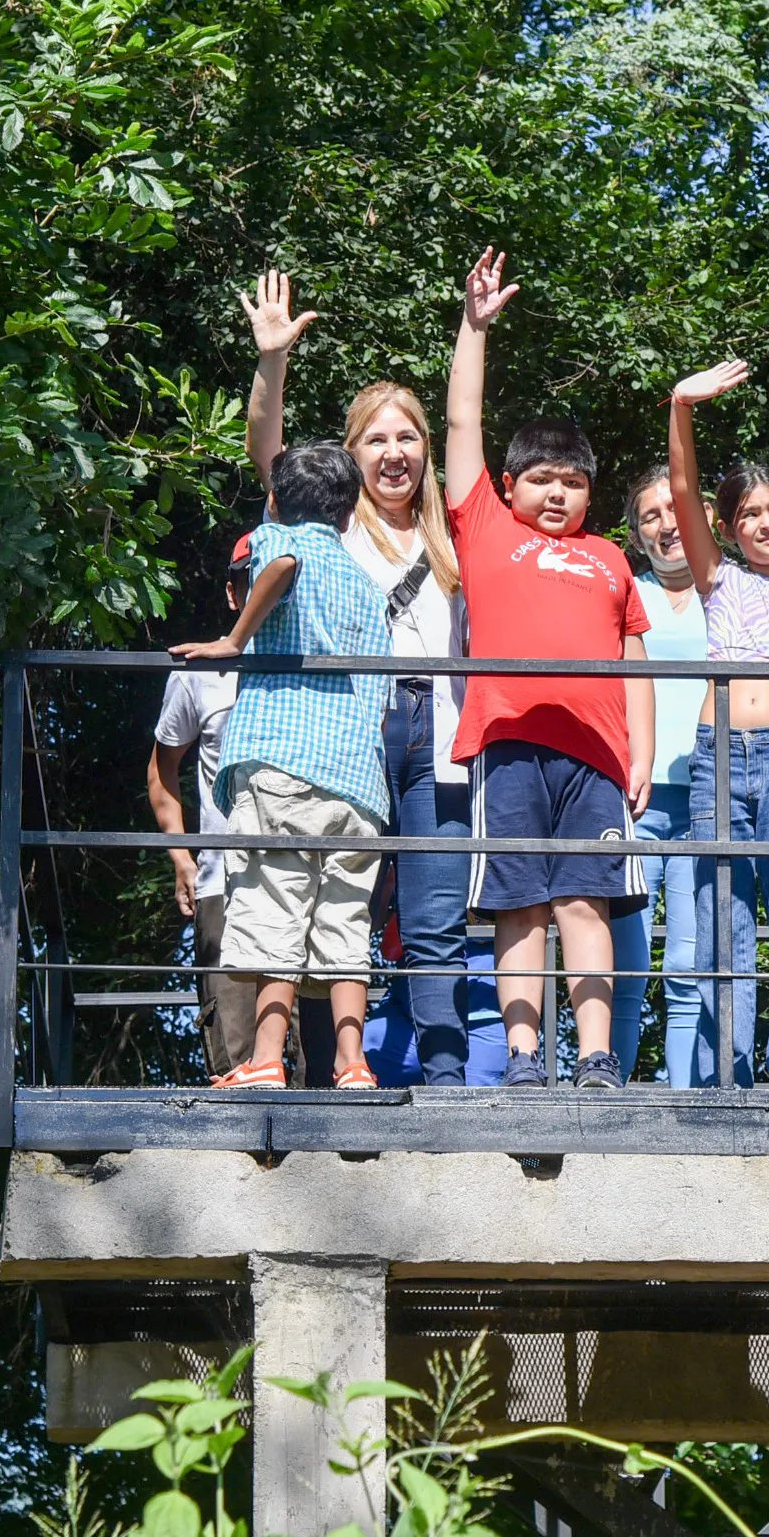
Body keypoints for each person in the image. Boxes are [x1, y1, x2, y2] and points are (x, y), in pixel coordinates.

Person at [239, 271, 477, 1087]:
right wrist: (271, 363)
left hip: (438, 732)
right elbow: (267, 456)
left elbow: (465, 424)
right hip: (353, 724)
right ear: (351, 456)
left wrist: (472, 329)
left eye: (406, 439)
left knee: (437, 914)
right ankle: (325, 1075)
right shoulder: (328, 525)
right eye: (375, 440)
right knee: (333, 904)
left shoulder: (454, 543)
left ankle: (444, 1077)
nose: (395, 453)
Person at [443, 248, 653, 1089]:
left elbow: (636, 661)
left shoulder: (610, 558)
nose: (558, 493)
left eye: (573, 481)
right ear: (509, 484)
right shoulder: (487, 530)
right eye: (542, 479)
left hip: (598, 760)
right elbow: (461, 425)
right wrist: (474, 327)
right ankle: (527, 1060)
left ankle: (597, 1058)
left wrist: (639, 755)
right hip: (511, 744)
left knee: (585, 903)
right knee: (519, 904)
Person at [169, 441, 395, 1091]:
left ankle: (266, 1060)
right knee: (344, 922)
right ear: (350, 513)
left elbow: (287, 562)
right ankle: (352, 1066)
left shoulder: (280, 540)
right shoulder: (363, 581)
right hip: (357, 780)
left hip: (286, 762)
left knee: (276, 906)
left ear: (274, 502)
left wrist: (235, 639)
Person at [666, 361, 769, 1090]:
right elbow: (679, 494)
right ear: (730, 529)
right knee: (719, 919)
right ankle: (722, 1069)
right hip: (719, 757)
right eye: (747, 515)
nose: (763, 523)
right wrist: (681, 408)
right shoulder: (721, 581)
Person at [148, 537, 259, 1081]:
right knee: (232, 1062)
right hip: (224, 882)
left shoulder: (322, 660)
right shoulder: (197, 672)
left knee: (317, 1066)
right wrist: (181, 857)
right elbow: (161, 770)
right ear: (233, 592)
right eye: (248, 577)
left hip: (308, 877)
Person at [610, 465, 705, 1085]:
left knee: (693, 966)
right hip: (631, 799)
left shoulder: (726, 590)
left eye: (675, 509)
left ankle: (685, 1100)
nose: (667, 525)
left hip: (708, 797)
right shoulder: (622, 593)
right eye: (650, 515)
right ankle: (606, 1087)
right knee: (627, 961)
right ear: (637, 533)